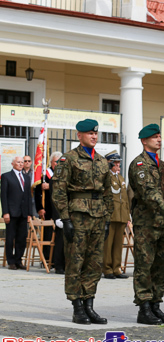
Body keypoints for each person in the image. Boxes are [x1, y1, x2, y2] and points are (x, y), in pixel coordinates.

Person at [51, 119, 113, 325]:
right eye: (89, 134)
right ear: (79, 135)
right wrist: (65, 219)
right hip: (77, 216)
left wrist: (107, 220)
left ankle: (89, 304)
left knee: (94, 263)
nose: (94, 136)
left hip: (98, 216)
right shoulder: (68, 159)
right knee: (75, 261)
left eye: (96, 134)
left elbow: (107, 193)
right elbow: (59, 190)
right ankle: (77, 306)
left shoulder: (103, 161)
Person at [128, 124, 164, 325]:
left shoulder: (162, 165)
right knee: (145, 265)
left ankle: (155, 305)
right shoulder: (139, 165)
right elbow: (150, 193)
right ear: (144, 141)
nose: (159, 140)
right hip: (147, 224)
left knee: (162, 267)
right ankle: (143, 308)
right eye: (154, 137)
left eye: (160, 136)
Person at [35, 151, 65, 274]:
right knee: (56, 239)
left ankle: (64, 264)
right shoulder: (51, 177)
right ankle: (54, 263)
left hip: (65, 213)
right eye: (57, 162)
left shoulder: (63, 177)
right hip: (54, 212)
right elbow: (54, 198)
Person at [103, 151, 131, 279]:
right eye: (115, 163)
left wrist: (127, 216)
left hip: (121, 215)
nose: (118, 165)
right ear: (109, 163)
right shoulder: (106, 177)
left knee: (118, 244)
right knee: (108, 243)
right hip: (111, 215)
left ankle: (116, 268)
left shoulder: (121, 178)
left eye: (119, 163)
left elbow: (124, 198)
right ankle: (107, 268)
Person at [1, 156, 32, 270]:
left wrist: (29, 213)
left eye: (22, 162)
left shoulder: (26, 178)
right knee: (10, 238)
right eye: (18, 162)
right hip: (12, 212)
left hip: (23, 213)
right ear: (12, 163)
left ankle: (18, 260)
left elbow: (28, 196)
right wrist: (5, 212)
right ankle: (11, 261)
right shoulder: (6, 176)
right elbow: (3, 196)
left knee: (22, 238)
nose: (20, 164)